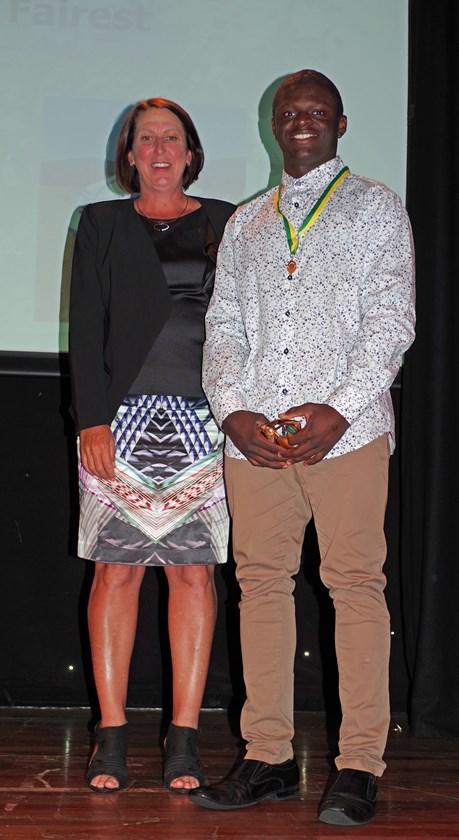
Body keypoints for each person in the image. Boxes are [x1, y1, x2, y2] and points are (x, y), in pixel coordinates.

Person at [191, 70, 415, 826]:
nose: (301, 122)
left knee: (353, 585)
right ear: (273, 124)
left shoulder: (376, 206)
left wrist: (340, 410)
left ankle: (359, 765)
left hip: (345, 435)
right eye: (289, 112)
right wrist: (232, 411)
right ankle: (268, 758)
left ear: (340, 123)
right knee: (260, 585)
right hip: (255, 438)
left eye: (316, 111)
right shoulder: (246, 222)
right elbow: (223, 326)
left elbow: (392, 320)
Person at [69, 97, 235, 794]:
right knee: (116, 574)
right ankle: (110, 737)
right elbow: (85, 327)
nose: (160, 149)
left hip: (205, 424)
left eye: (172, 138)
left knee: (194, 576)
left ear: (190, 153)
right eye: (146, 139)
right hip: (121, 425)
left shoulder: (227, 220)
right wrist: (91, 420)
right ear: (130, 155)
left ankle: (183, 739)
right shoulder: (101, 223)